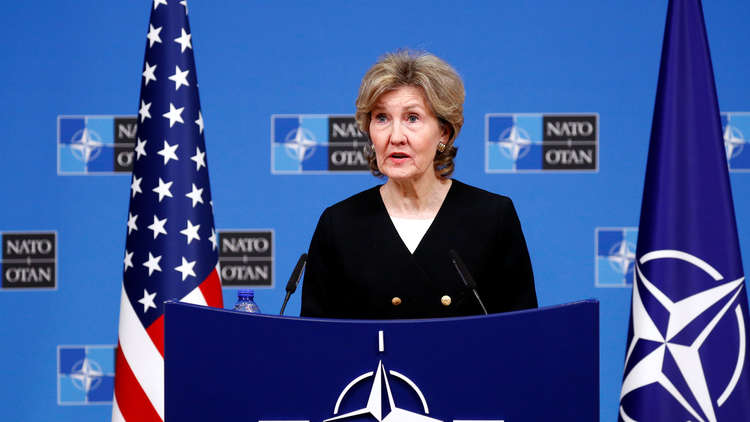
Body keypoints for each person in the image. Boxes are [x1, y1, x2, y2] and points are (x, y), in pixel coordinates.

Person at [300, 50, 537, 319]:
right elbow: (315, 338)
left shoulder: (493, 217)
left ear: (444, 133)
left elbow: (522, 334)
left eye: (412, 118)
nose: (395, 137)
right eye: (382, 118)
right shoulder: (339, 224)